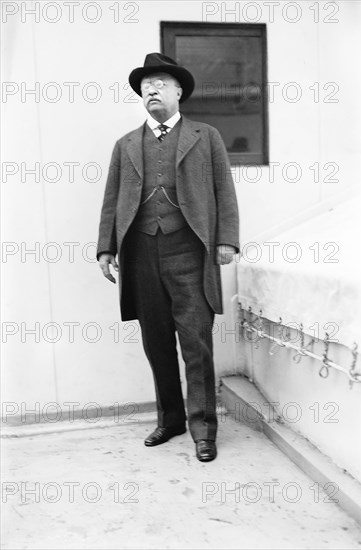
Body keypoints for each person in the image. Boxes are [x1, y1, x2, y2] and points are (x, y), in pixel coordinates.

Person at [97, 53, 239, 462]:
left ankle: (203, 428)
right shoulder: (125, 145)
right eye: (146, 86)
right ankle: (171, 419)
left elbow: (224, 192)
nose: (152, 90)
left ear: (179, 91)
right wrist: (106, 247)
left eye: (160, 83)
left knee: (195, 342)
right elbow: (111, 200)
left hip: (190, 252)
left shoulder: (205, 135)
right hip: (140, 253)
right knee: (156, 342)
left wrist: (226, 239)